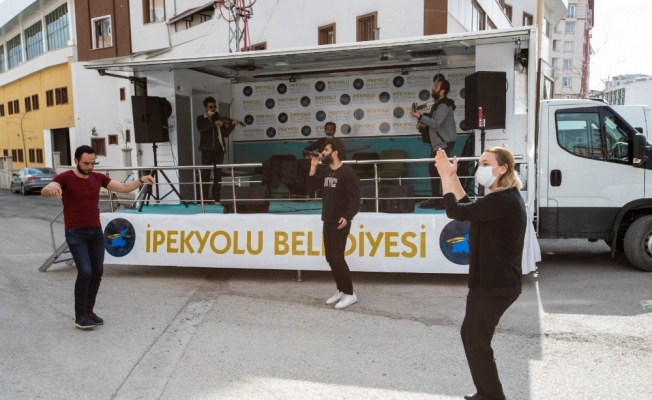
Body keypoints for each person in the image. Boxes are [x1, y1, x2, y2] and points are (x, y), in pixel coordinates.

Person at [434, 146, 527, 400]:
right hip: (490, 282)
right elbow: (467, 207)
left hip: (494, 284)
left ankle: (493, 396)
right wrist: (453, 176)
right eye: (480, 163)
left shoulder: (502, 200)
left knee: (477, 342)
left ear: (503, 168)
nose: (480, 168)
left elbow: (455, 211)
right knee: (470, 336)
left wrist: (444, 177)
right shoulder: (502, 199)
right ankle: (485, 393)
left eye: (486, 164)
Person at [42, 145, 155, 330]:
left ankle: (89, 312)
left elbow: (123, 187)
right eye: (86, 163)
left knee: (97, 272)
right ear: (76, 161)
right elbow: (47, 189)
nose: (89, 167)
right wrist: (52, 187)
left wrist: (141, 180)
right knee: (85, 271)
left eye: (92, 163)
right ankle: (80, 316)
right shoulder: (66, 177)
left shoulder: (97, 177)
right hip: (75, 232)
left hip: (95, 231)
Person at [307, 138, 361, 309]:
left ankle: (350, 294)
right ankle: (341, 290)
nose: (322, 153)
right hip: (328, 219)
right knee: (330, 258)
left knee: (337, 258)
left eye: (326, 150)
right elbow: (311, 188)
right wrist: (313, 166)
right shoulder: (327, 171)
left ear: (335, 153)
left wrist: (347, 216)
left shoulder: (347, 173)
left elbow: (355, 200)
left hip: (340, 222)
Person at [410, 77, 457, 209]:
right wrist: (423, 125)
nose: (432, 88)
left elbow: (436, 123)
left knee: (440, 171)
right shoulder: (438, 104)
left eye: (436, 87)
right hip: (439, 144)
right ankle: (437, 198)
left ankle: (442, 200)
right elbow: (435, 125)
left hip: (443, 144)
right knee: (434, 170)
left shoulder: (443, 105)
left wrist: (420, 116)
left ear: (442, 91)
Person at [197, 96, 240, 203]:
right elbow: (201, 128)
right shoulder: (201, 118)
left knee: (218, 174)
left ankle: (217, 197)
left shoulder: (219, 118)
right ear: (205, 108)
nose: (213, 109)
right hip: (207, 150)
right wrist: (214, 123)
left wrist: (232, 125)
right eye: (210, 107)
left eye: (214, 107)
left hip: (219, 150)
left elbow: (225, 134)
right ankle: (204, 199)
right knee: (206, 174)